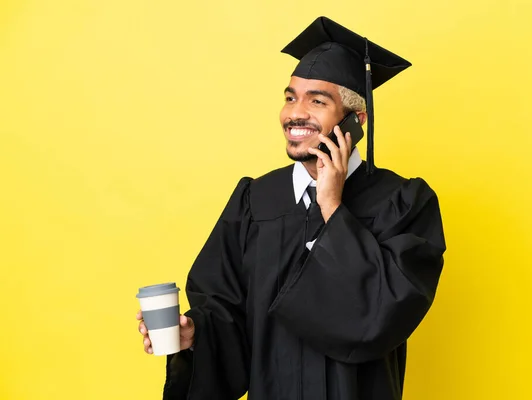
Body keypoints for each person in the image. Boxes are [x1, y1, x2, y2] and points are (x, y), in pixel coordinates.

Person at [137, 16, 446, 400]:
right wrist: (194, 333)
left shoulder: (402, 203)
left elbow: (383, 314)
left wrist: (332, 206)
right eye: (290, 97)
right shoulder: (256, 200)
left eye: (317, 100)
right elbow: (226, 309)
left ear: (356, 120)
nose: (294, 114)